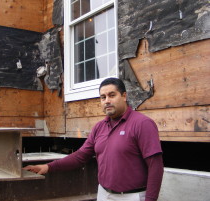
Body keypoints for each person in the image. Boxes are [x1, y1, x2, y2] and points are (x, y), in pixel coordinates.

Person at [23, 77, 164, 201]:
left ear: (124, 96)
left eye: (112, 95)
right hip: (104, 194)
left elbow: (155, 166)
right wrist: (48, 167)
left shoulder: (142, 124)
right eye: (103, 97)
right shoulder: (99, 127)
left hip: (132, 196)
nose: (107, 101)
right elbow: (80, 156)